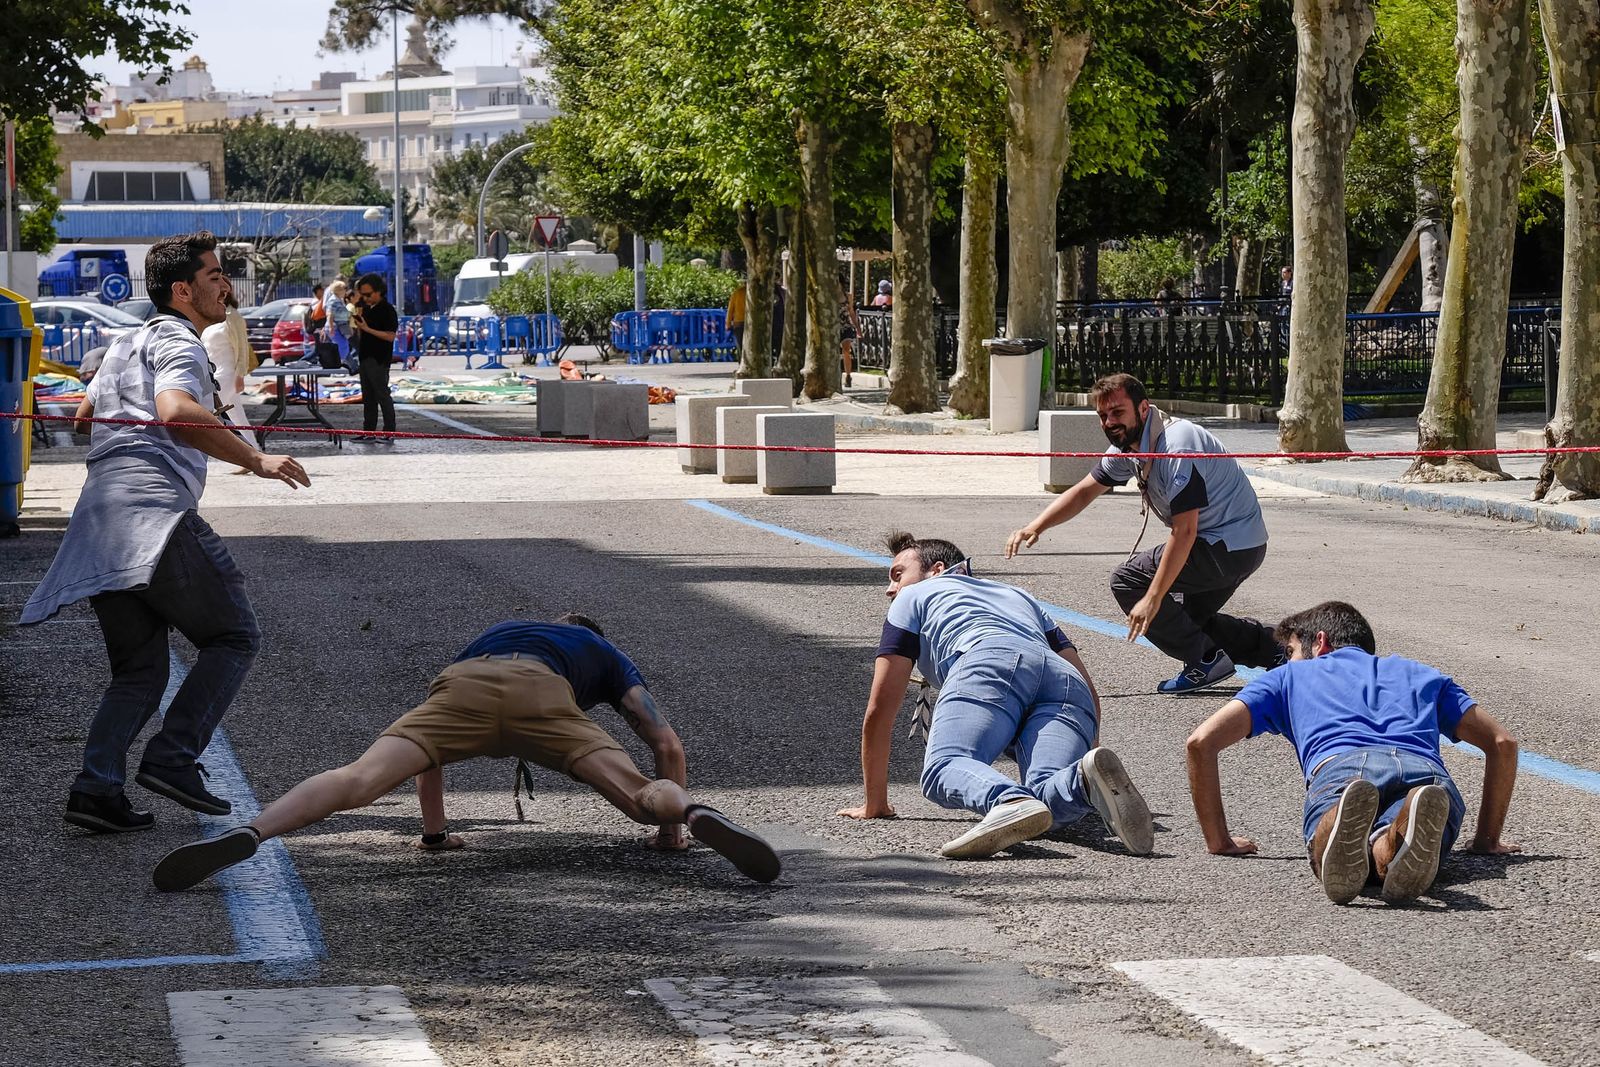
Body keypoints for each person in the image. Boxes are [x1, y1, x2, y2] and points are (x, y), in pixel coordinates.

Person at [21, 231, 311, 834]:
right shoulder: (178, 339)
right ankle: (173, 758)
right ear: (182, 290)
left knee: (139, 671)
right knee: (234, 636)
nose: (225, 286)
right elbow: (176, 411)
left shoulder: (123, 342)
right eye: (213, 277)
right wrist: (255, 459)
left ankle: (96, 791)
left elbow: (83, 418)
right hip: (154, 515)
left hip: (98, 520)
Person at [152, 614, 782, 890]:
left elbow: (432, 761)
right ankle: (690, 818)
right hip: (546, 699)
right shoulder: (606, 655)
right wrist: (666, 836)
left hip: (468, 686)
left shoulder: (495, 635)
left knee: (358, 779)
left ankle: (255, 832)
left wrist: (434, 836)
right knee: (643, 797)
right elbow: (664, 739)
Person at [838, 531, 1155, 860]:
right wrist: (1091, 747)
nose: (891, 588)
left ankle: (1007, 800)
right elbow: (1082, 679)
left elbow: (880, 708)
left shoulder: (915, 596)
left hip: (987, 660)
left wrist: (875, 803)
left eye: (898, 574)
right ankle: (1083, 782)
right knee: (1045, 798)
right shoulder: (1016, 595)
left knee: (943, 766)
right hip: (1065, 682)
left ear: (937, 569)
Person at [1184, 601, 1520, 904]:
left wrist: (1219, 840)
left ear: (1320, 642)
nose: (1287, 660)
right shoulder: (1421, 674)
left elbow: (1201, 743)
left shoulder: (1289, 677)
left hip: (1342, 768)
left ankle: (1339, 821)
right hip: (1425, 771)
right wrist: (1487, 841)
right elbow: (1502, 744)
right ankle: (1395, 832)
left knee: (1331, 846)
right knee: (1388, 846)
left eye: (1290, 651)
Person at [1005, 373, 1282, 694]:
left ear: (1144, 409)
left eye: (1118, 412)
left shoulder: (1178, 444)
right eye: (1103, 416)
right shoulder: (1132, 447)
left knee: (1129, 581)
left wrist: (1151, 597)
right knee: (1185, 619)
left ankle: (1204, 659)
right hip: (1234, 548)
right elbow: (1084, 491)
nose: (1109, 422)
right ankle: (1276, 649)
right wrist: (1036, 526)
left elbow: (1185, 530)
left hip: (1226, 547)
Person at [350, 272, 398, 441]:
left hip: (379, 359)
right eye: (363, 294)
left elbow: (390, 336)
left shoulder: (387, 310)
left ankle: (389, 431)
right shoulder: (365, 308)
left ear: (379, 291)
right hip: (365, 356)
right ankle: (368, 431)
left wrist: (368, 329)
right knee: (368, 397)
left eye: (368, 294)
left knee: (382, 394)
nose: (366, 298)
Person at [200, 292, 253, 430]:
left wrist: (240, 375)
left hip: (227, 374)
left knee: (212, 412)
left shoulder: (233, 316)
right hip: (214, 372)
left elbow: (242, 348)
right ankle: (250, 448)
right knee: (236, 416)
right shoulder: (211, 315)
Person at [322, 279, 352, 369]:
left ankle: (340, 363)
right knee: (342, 345)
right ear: (339, 290)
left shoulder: (339, 300)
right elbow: (330, 314)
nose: (346, 291)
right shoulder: (333, 300)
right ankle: (339, 363)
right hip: (335, 327)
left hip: (339, 326)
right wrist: (331, 327)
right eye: (344, 289)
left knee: (342, 345)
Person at [839, 275, 859, 389]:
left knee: (846, 350)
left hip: (846, 325)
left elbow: (851, 312)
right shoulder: (829, 295)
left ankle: (848, 375)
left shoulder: (848, 296)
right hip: (833, 326)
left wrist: (857, 328)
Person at [726, 282, 747, 356]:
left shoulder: (737, 293)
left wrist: (728, 324)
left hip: (739, 322)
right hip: (751, 323)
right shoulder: (756, 293)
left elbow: (730, 310)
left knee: (740, 344)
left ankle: (741, 361)